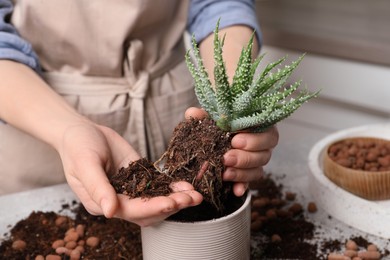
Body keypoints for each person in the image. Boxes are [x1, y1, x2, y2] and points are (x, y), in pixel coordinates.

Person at [0, 0, 279, 226]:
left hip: (169, 105)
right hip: (40, 116)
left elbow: (220, 5)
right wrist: (68, 131)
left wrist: (229, 98)